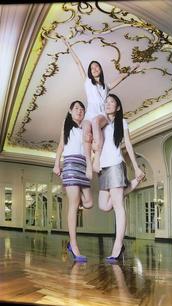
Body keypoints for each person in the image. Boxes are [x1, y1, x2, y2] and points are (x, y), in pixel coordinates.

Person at [62, 37, 139, 178]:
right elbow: (78, 63)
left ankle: (97, 159)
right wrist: (69, 46)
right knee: (86, 130)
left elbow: (120, 78)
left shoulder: (106, 87)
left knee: (96, 122)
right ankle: (89, 166)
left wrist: (130, 71)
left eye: (96, 66)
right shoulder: (87, 82)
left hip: (101, 115)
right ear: (90, 72)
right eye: (91, 68)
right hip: (89, 114)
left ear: (100, 69)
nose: (94, 69)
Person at [96, 94, 144, 262]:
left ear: (117, 107)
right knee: (103, 205)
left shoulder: (121, 122)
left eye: (112, 102)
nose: (108, 104)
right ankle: (132, 184)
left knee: (117, 205)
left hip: (116, 164)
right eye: (106, 102)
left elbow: (128, 145)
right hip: (103, 167)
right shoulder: (100, 123)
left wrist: (136, 167)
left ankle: (118, 245)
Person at [53, 101, 93, 262]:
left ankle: (72, 189)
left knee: (88, 202)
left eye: (82, 109)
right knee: (74, 205)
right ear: (70, 111)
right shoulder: (66, 125)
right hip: (70, 164)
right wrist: (56, 164)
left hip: (83, 165)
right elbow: (61, 145)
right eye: (76, 108)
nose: (80, 111)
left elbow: (89, 149)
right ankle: (74, 245)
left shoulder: (85, 127)